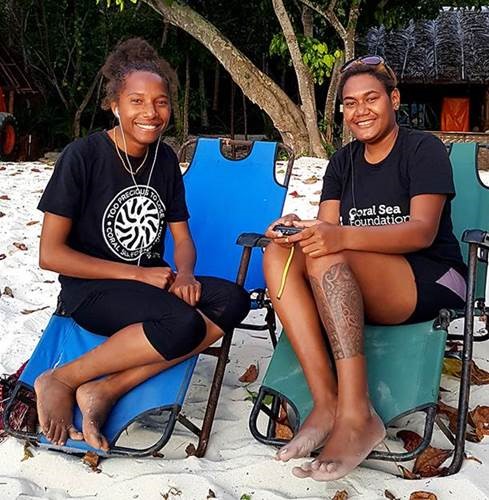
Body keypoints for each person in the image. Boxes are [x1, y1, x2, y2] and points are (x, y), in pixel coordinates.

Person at [34, 38, 250, 451]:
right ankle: (61, 378)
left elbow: (182, 239)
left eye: (161, 102)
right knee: (182, 323)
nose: (151, 113)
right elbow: (51, 255)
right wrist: (136, 273)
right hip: (91, 289)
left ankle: (107, 390)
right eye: (137, 100)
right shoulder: (82, 157)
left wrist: (184, 274)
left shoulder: (164, 160)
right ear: (115, 104)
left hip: (150, 282)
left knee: (232, 299)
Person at [264, 55, 467, 481]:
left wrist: (332, 237)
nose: (361, 111)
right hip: (359, 281)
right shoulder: (343, 162)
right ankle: (327, 402)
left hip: (431, 275)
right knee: (277, 255)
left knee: (327, 251)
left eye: (371, 98)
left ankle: (358, 416)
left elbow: (421, 232)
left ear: (394, 100)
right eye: (350, 103)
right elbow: (327, 231)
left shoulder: (422, 149)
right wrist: (295, 230)